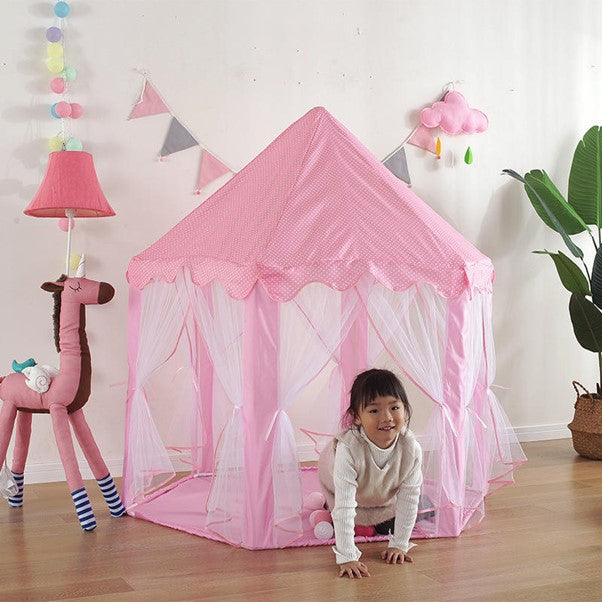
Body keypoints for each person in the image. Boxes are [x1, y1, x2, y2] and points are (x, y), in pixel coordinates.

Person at [318, 368, 422, 579]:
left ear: (405, 410)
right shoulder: (349, 449)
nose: (387, 417)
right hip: (345, 492)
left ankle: (378, 517)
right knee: (341, 513)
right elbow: (345, 504)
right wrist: (347, 556)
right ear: (357, 417)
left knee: (408, 514)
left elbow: (409, 499)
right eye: (374, 411)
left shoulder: (410, 448)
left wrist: (400, 544)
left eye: (394, 407)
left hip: (381, 495)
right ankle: (327, 508)